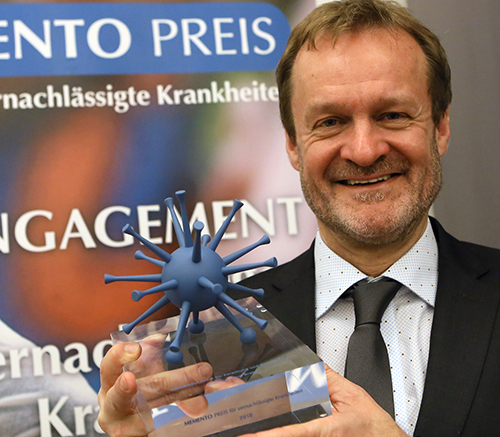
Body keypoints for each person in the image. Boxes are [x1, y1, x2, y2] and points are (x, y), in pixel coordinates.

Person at [98, 1, 500, 436]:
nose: (364, 150)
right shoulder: (224, 336)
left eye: (392, 115)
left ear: (440, 127)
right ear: (292, 144)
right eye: (330, 122)